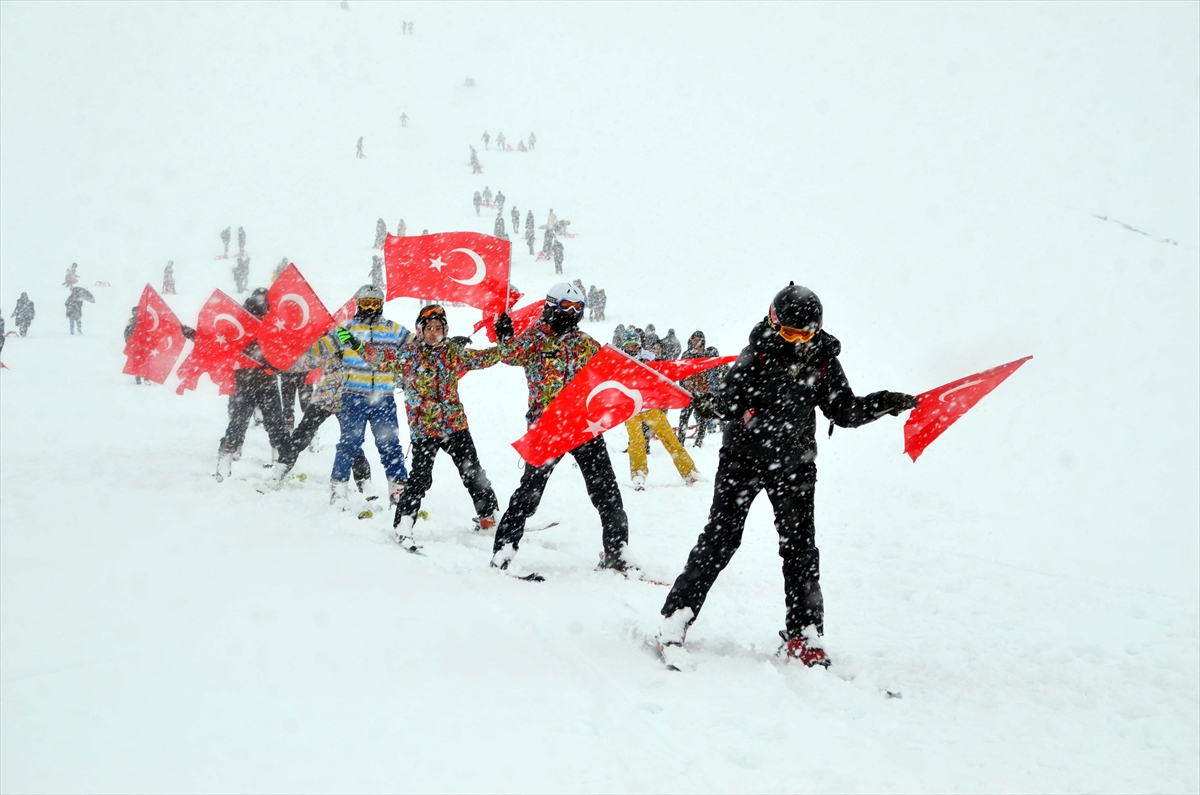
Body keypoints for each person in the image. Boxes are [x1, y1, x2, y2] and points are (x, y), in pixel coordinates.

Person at [656, 285, 919, 669]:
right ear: (773, 322)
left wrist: (883, 403)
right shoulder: (757, 354)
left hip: (795, 465)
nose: (797, 341)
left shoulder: (823, 360)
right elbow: (730, 401)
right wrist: (711, 404)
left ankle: (804, 635)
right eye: (790, 333)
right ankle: (675, 618)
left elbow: (843, 411)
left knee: (800, 549)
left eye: (805, 334)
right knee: (721, 540)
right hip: (743, 460)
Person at [490, 283, 632, 572]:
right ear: (551, 306)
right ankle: (503, 551)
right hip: (548, 428)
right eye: (565, 306)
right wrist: (504, 333)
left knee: (606, 493)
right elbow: (509, 355)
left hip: (583, 426)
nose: (571, 313)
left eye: (577, 308)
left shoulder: (584, 342)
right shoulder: (535, 339)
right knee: (528, 495)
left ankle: (617, 554)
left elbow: (611, 370)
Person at [346, 304, 502, 547]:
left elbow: (486, 358)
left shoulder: (453, 353)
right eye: (429, 328)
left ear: (445, 330)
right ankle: (403, 525)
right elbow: (381, 358)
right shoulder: (409, 356)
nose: (434, 333)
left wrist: (504, 339)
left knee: (473, 473)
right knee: (420, 480)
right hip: (425, 429)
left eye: (439, 328)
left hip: (455, 426)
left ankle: (489, 518)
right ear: (420, 331)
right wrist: (357, 345)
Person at [327, 285, 412, 508]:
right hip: (354, 396)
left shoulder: (393, 329)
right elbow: (322, 348)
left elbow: (418, 347)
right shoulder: (347, 328)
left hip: (383, 397)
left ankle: (398, 490)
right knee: (349, 443)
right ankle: (338, 488)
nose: (371, 308)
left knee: (390, 444)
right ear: (358, 304)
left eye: (375, 304)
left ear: (381, 305)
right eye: (366, 303)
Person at [269, 329, 373, 492]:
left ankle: (364, 483)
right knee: (300, 435)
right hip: (323, 400)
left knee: (351, 443)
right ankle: (279, 472)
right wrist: (281, 366)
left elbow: (376, 369)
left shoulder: (361, 354)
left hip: (347, 402)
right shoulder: (330, 351)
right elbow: (307, 362)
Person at [216, 289, 291, 479]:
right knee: (269, 424)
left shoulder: (242, 326)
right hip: (259, 383)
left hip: (248, 383)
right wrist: (270, 362)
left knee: (241, 423)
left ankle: (226, 462)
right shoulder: (269, 326)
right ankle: (280, 463)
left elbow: (219, 343)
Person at [618, 331, 700, 491]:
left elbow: (662, 376)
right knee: (636, 441)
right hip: (632, 408)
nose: (632, 348)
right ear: (624, 347)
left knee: (669, 438)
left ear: (639, 346)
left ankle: (689, 472)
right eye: (629, 346)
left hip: (650, 407)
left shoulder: (649, 358)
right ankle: (638, 473)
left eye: (635, 345)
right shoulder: (620, 360)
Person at [674, 331, 711, 448]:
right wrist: (682, 388)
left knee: (702, 417)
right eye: (695, 339)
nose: (697, 342)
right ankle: (680, 440)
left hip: (702, 391)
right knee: (684, 417)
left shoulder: (706, 355)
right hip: (688, 391)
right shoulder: (686, 355)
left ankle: (699, 441)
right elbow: (681, 372)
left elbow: (710, 373)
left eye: (699, 340)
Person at [279, 356, 313, 431]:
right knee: (306, 403)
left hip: (288, 369)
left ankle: (289, 422)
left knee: (289, 402)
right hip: (302, 369)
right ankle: (309, 426)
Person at [123, 307, 147, 385]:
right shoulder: (131, 321)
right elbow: (126, 333)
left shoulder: (144, 320)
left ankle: (146, 377)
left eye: (137, 312)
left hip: (144, 346)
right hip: (135, 346)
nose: (135, 313)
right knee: (136, 363)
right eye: (134, 312)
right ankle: (138, 378)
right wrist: (129, 342)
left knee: (146, 362)